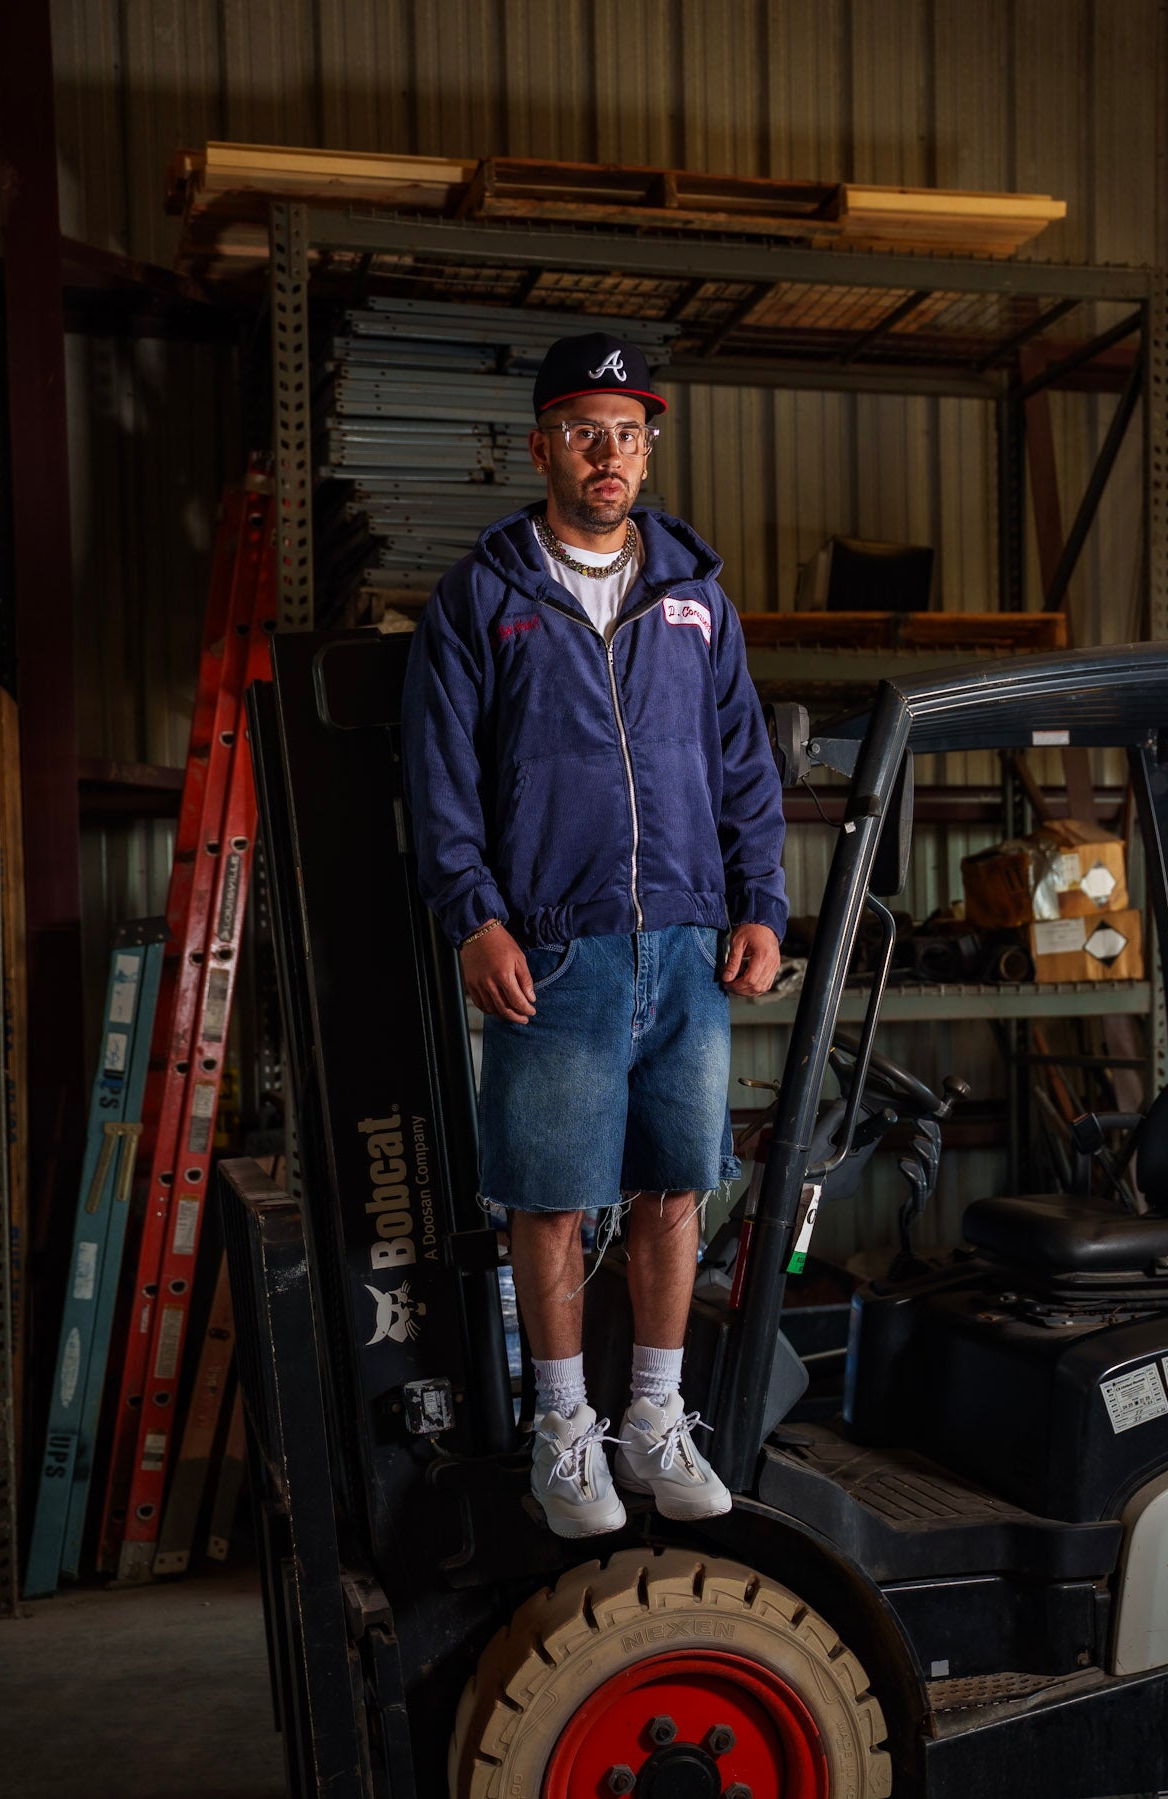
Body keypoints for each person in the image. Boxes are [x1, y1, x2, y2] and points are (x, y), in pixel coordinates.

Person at [402, 330, 788, 1538]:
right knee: (552, 1200)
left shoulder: (696, 599)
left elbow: (745, 770)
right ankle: (565, 1433)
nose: (608, 453)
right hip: (555, 948)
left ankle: (656, 1420)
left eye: (628, 432)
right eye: (584, 430)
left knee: (678, 1190)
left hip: (684, 945)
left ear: (648, 447)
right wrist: (474, 916)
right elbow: (440, 777)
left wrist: (762, 904)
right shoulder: (485, 597)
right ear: (541, 445)